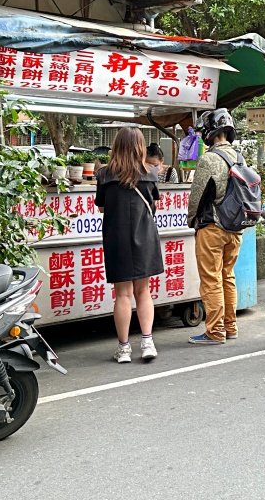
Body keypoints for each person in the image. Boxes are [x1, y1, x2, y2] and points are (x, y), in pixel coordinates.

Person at [95, 127, 163, 363]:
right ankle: (147, 343)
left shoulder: (104, 174)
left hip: (117, 238)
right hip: (144, 236)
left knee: (122, 295)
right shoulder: (150, 173)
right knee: (144, 291)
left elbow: (102, 207)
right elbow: (154, 204)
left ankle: (124, 349)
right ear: (140, 147)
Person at [186, 108, 243, 345]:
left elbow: (196, 196)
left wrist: (191, 221)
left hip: (212, 228)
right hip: (236, 228)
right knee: (227, 276)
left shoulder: (209, 159)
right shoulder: (239, 157)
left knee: (210, 279)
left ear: (210, 132)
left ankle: (215, 331)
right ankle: (230, 326)